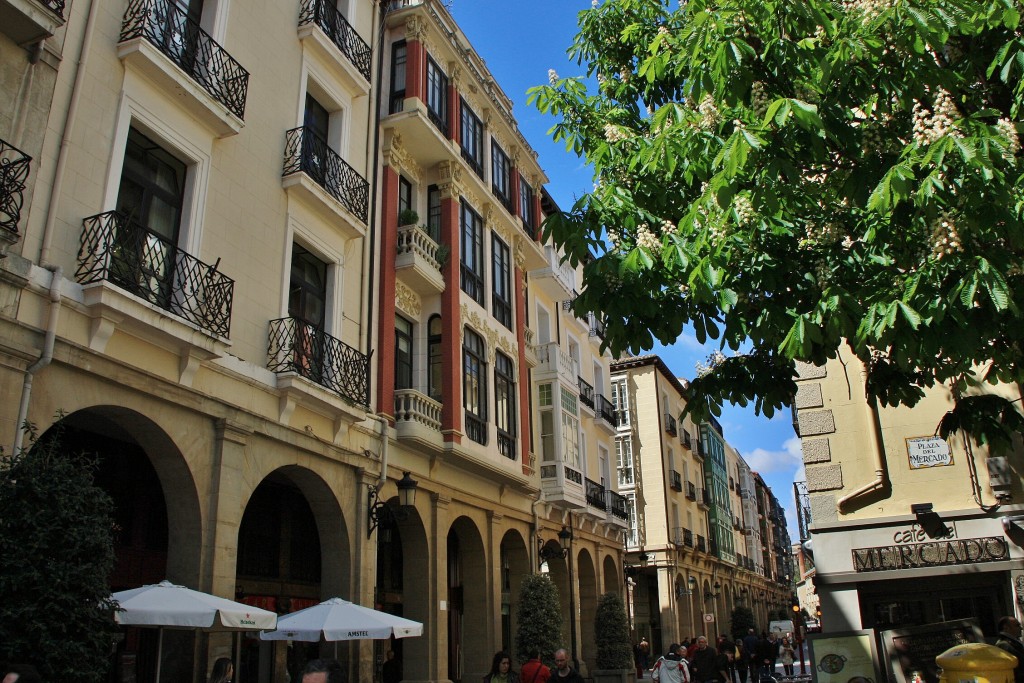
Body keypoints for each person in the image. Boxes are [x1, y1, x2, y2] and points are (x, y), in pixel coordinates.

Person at [995, 616, 1024, 683]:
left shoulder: (1013, 642)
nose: (1021, 628)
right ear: (1006, 627)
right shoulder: (1003, 645)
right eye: (1017, 625)